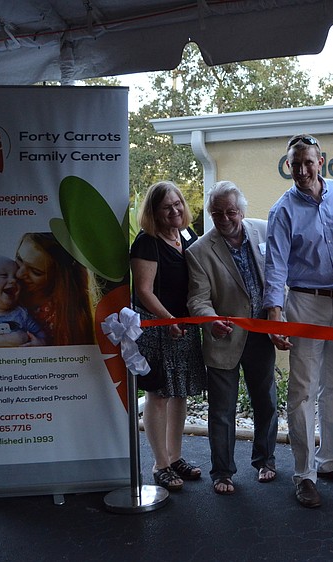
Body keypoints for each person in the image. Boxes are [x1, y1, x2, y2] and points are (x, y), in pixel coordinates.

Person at [263, 133, 333, 508]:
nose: (303, 170)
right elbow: (275, 266)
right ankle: (305, 474)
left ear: (321, 162)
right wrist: (275, 314)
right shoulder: (282, 210)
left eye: (309, 162)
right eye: (296, 164)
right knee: (303, 391)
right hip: (305, 303)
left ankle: (331, 461)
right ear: (288, 166)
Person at [186, 181, 279, 495]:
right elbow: (197, 298)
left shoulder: (264, 231)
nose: (224, 219)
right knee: (222, 411)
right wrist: (211, 320)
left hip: (261, 334)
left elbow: (279, 276)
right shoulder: (199, 251)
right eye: (217, 213)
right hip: (223, 337)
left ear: (242, 210)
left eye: (230, 212)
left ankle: (265, 460)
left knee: (266, 401)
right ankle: (222, 472)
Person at [131, 180, 206, 492]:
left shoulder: (186, 235)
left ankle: (175, 457)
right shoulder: (147, 242)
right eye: (166, 207)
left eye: (178, 204)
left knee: (179, 392)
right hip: (157, 326)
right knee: (159, 394)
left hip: (184, 325)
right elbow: (143, 291)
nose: (174, 210)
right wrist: (168, 319)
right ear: (154, 212)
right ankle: (160, 464)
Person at [15, 232, 95, 346]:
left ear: (58, 277)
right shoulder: (0, 287)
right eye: (19, 259)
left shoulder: (66, 316)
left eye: (36, 272)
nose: (18, 274)